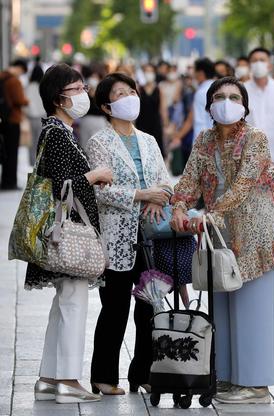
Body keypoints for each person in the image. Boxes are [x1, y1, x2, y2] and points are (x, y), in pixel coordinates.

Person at [171, 76, 274, 404]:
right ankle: (227, 379)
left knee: (254, 310)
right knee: (224, 309)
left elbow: (244, 184)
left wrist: (208, 213)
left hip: (258, 237)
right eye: (219, 96)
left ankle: (256, 385)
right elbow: (190, 178)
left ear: (245, 105)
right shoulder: (204, 140)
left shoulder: (256, 138)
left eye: (234, 96)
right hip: (220, 237)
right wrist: (180, 205)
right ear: (209, 106)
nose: (227, 102)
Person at [25, 63, 112, 404]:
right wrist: (95, 174)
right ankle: (69, 381)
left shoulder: (54, 131)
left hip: (59, 233)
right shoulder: (59, 134)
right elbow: (64, 187)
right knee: (73, 304)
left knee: (62, 305)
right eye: (76, 90)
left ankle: (49, 378)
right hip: (69, 234)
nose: (83, 94)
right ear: (58, 98)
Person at [86, 72, 172, 395]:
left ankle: (144, 374)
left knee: (149, 306)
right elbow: (101, 192)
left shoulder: (149, 141)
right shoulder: (99, 142)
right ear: (107, 107)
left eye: (131, 91)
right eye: (119, 94)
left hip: (150, 236)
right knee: (115, 308)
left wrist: (158, 196)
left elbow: (165, 181)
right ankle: (103, 376)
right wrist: (141, 195)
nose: (129, 97)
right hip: (115, 236)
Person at [244, 47, 274, 198]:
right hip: (250, 153)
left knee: (272, 193)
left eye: (262, 60)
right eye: (254, 61)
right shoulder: (243, 90)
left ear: (269, 64)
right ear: (250, 65)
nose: (258, 64)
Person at [171, 58, 216, 150]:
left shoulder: (201, 92)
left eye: (195, 71)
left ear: (201, 73)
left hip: (202, 141)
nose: (193, 75)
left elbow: (191, 119)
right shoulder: (217, 89)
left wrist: (177, 136)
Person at [0, 59, 29, 190]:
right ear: (19, 68)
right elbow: (20, 100)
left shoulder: (2, 77)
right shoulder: (14, 81)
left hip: (3, 118)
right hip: (13, 118)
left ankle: (4, 181)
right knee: (12, 153)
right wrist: (26, 101)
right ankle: (10, 182)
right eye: (22, 71)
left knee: (5, 151)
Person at [25, 62, 46, 166]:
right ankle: (40, 164)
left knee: (32, 141)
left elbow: (26, 103)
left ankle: (32, 163)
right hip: (43, 117)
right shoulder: (43, 87)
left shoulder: (29, 87)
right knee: (41, 142)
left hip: (31, 117)